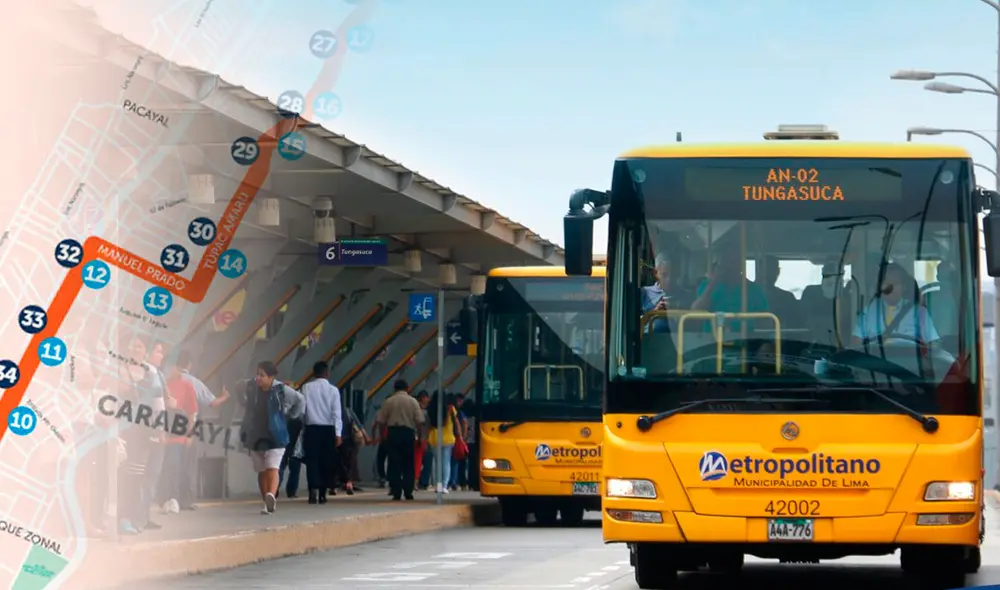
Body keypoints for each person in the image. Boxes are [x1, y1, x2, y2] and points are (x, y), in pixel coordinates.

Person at [239, 361, 305, 515]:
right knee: (262, 471)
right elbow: (237, 386)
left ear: (271, 377)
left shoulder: (281, 390)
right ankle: (266, 500)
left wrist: (291, 415)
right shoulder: (251, 387)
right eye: (257, 374)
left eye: (262, 375)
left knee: (273, 467)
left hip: (277, 435)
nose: (258, 378)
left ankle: (271, 495)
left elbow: (300, 400)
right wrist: (244, 403)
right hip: (256, 435)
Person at [176, 350, 230, 509]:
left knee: (171, 462)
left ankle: (168, 498)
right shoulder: (193, 382)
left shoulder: (168, 380)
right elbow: (212, 402)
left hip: (168, 424)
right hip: (189, 424)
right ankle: (185, 500)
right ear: (189, 364)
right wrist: (225, 396)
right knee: (188, 462)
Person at [852, 262, 940, 347]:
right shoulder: (868, 310)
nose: (889, 288)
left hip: (908, 360)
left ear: (904, 286)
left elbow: (934, 343)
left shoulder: (919, 312)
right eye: (885, 283)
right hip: (876, 360)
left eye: (894, 284)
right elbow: (856, 341)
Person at [158, 355, 199, 515]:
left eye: (171, 366)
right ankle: (164, 499)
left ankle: (174, 498)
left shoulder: (186, 385)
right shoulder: (162, 384)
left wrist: (190, 433)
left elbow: (192, 411)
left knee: (175, 465)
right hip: (162, 431)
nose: (168, 370)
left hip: (178, 433)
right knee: (164, 467)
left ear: (177, 367)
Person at [372, 379, 424, 501]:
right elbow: (419, 422)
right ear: (407, 388)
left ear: (394, 388)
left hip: (393, 433)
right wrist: (420, 437)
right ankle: (408, 491)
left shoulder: (388, 402)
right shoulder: (413, 402)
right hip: (408, 433)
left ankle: (396, 491)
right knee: (408, 463)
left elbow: (380, 421)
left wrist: (383, 435)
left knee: (394, 463)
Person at [301, 361, 342, 504]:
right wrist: (338, 433)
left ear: (313, 373)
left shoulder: (306, 388)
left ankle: (313, 490)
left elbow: (302, 410)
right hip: (328, 430)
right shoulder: (333, 390)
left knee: (312, 461)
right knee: (326, 462)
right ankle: (323, 494)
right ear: (327, 373)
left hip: (311, 429)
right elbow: (337, 413)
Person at [426, 392, 460, 493]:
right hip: (448, 438)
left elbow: (428, 425)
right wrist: (460, 436)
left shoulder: (430, 409)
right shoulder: (451, 409)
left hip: (435, 438)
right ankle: (444, 486)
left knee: (437, 463)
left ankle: (438, 486)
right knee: (446, 463)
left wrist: (426, 438)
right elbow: (456, 422)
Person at [335, 400, 368, 495]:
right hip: (348, 441)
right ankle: (349, 483)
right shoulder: (348, 411)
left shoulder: (330, 411)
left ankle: (334, 486)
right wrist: (367, 437)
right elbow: (358, 425)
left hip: (335, 440)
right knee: (349, 463)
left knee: (336, 463)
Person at [641, 253, 674, 333]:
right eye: (664, 275)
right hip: (649, 341)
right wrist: (654, 312)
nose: (669, 280)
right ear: (656, 273)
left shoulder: (683, 294)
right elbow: (634, 325)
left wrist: (675, 311)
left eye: (672, 275)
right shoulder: (645, 293)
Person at [413, 390, 431, 486]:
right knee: (418, 460)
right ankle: (418, 481)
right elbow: (422, 425)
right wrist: (422, 438)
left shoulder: (414, 409)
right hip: (420, 439)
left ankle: (418, 481)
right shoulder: (423, 412)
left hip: (416, 437)